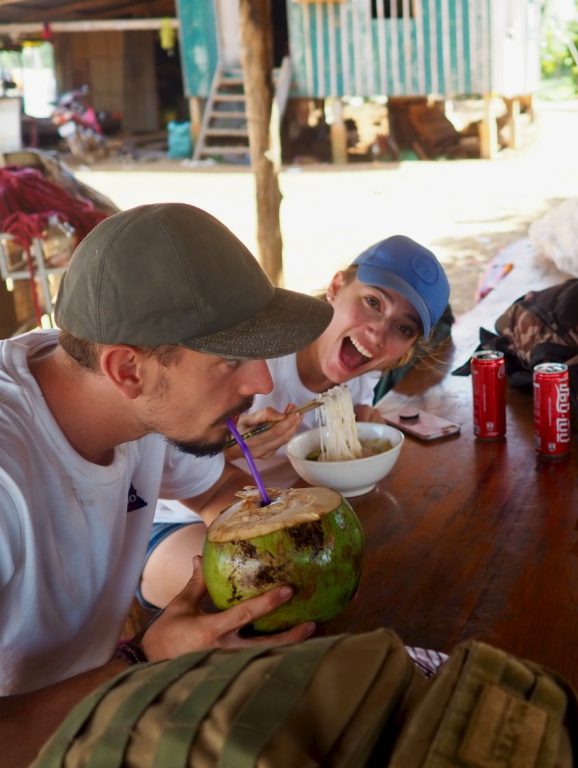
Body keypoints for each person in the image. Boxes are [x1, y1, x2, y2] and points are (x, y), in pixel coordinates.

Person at [0, 202, 335, 765]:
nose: (260, 380)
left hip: (102, 706)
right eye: (230, 361)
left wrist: (285, 550)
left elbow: (211, 492)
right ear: (126, 370)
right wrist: (143, 662)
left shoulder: (146, 406)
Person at [139, 234, 451, 611]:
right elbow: (152, 458)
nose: (378, 332)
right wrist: (230, 449)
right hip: (174, 521)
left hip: (285, 517)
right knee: (263, 597)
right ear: (336, 287)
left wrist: (363, 420)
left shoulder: (360, 372)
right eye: (372, 303)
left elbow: (359, 404)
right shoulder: (255, 360)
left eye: (404, 328)